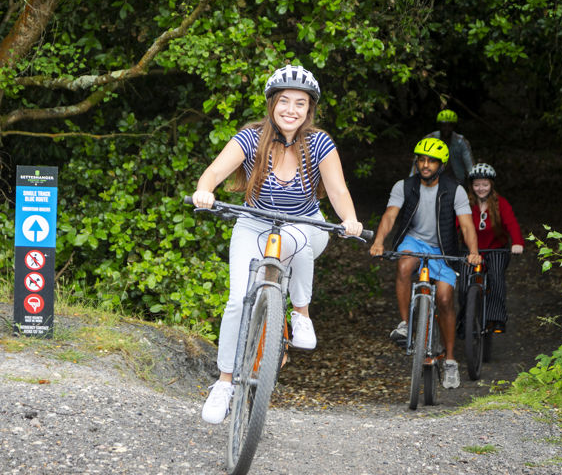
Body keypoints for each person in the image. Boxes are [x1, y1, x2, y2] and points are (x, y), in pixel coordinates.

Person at [191, 64, 363, 424]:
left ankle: (300, 313)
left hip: (306, 226)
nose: (291, 109)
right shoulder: (251, 138)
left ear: (309, 110)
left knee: (291, 239)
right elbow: (214, 172)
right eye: (284, 101)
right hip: (254, 223)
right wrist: (205, 191)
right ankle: (224, 383)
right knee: (238, 300)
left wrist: (349, 219)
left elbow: (337, 190)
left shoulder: (320, 144)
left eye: (300, 103)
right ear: (271, 104)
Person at [370, 137, 481, 389]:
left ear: (441, 165)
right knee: (404, 265)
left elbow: (466, 224)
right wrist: (379, 241)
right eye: (421, 159)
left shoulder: (455, 189)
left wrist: (473, 251)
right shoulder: (404, 186)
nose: (425, 165)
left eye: (431, 161)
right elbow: (390, 215)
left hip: (445, 249)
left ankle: (450, 360)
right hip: (414, 241)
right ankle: (405, 324)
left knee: (444, 299)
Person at [463, 162, 524, 333]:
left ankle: (495, 319)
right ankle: (464, 321)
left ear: (491, 185)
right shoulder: (466, 204)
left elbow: (512, 223)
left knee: (496, 277)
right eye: (476, 185)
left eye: (484, 184)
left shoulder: (500, 203)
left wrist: (517, 242)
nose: (480, 188)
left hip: (496, 249)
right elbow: (458, 225)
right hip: (471, 250)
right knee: (463, 285)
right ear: (471, 186)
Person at [409, 109, 474, 183]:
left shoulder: (461, 141)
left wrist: (474, 181)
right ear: (439, 126)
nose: (447, 128)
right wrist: (412, 181)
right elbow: (417, 162)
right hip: (431, 179)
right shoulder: (429, 139)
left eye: (450, 125)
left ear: (454, 126)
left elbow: (469, 164)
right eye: (444, 125)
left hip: (456, 179)